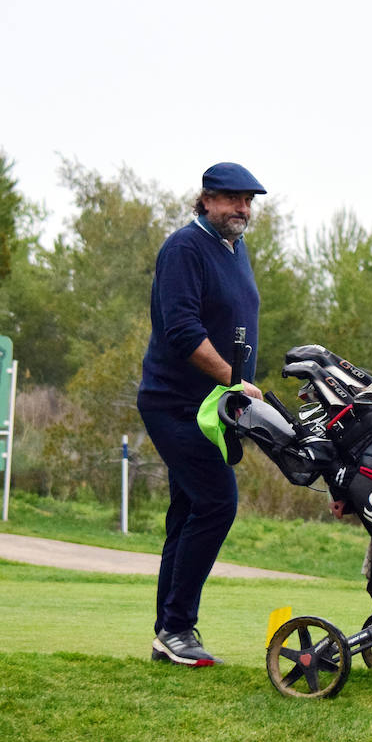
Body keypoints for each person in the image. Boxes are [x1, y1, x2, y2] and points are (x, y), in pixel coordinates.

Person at [137, 162, 266, 666]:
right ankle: (177, 627)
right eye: (234, 199)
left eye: (249, 201)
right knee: (217, 502)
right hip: (175, 402)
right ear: (206, 199)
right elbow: (184, 331)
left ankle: (167, 635)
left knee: (188, 511)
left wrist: (237, 391)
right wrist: (234, 380)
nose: (243, 209)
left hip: (215, 407)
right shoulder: (184, 248)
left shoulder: (236, 249)